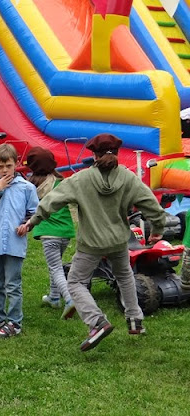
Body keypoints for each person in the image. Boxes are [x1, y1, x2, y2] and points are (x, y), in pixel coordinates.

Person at [18, 134, 167, 351]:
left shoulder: (81, 179)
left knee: (75, 282)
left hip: (91, 244)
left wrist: (32, 222)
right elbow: (152, 206)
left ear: (94, 155)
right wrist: (157, 230)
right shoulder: (128, 178)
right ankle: (135, 319)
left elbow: (51, 200)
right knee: (124, 276)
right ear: (117, 153)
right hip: (119, 241)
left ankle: (97, 322)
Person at [0, 143, 39, 338]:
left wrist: (26, 225)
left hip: (15, 243)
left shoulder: (27, 188)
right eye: (0, 166)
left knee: (13, 284)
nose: (5, 170)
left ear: (16, 164)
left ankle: (14, 322)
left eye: (9, 166)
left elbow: (34, 213)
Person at [25, 146, 76, 319]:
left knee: (55, 268)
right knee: (56, 264)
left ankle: (69, 299)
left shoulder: (31, 186)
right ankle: (54, 298)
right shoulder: (61, 182)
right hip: (65, 232)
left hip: (49, 233)